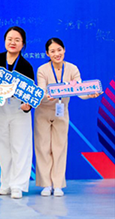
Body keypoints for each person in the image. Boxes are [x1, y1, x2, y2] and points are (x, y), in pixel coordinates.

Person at [35, 37, 101, 197]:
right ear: (47, 53)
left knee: (60, 148)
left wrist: (90, 94)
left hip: (61, 112)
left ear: (64, 50)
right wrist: (47, 95)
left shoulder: (72, 69)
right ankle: (46, 184)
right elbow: (41, 91)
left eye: (59, 50)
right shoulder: (42, 69)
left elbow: (80, 90)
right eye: (52, 51)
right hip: (43, 111)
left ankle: (58, 185)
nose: (56, 54)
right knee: (43, 148)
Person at [0, 26, 35, 199]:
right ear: (5, 41)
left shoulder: (26, 66)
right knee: (3, 146)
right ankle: (5, 183)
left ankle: (18, 185)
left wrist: (28, 106)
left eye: (17, 40)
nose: (13, 43)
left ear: (23, 44)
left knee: (20, 147)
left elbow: (31, 94)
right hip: (1, 107)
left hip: (19, 109)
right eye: (10, 39)